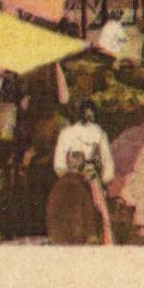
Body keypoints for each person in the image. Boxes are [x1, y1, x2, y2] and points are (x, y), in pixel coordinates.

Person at [53, 101, 115, 243]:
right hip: (81, 179)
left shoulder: (70, 132)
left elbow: (59, 165)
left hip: (77, 178)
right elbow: (107, 164)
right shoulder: (94, 133)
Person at [46, 150, 102, 244]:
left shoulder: (58, 186)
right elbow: (89, 213)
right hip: (79, 237)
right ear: (82, 166)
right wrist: (92, 236)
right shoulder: (83, 186)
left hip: (59, 237)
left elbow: (51, 212)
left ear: (67, 164)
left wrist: (52, 235)